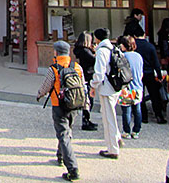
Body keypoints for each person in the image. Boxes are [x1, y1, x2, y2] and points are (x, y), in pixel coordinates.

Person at [37, 40, 84, 181]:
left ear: (56, 52)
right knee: (67, 130)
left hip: (59, 104)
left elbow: (46, 85)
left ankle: (73, 168)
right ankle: (61, 156)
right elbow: (82, 85)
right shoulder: (77, 67)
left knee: (63, 134)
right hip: (74, 103)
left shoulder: (54, 68)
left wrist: (39, 94)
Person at [90, 27, 121, 159]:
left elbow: (99, 74)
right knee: (110, 114)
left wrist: (93, 85)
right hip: (116, 86)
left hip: (107, 88)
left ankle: (112, 148)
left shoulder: (102, 51)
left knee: (109, 119)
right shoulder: (115, 48)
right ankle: (117, 138)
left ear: (97, 38)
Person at [131, 25, 167, 124]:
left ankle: (144, 116)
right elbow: (156, 62)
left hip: (138, 73)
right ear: (144, 35)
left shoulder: (134, 47)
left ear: (134, 36)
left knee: (140, 95)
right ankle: (158, 115)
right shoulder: (150, 46)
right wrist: (159, 75)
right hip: (149, 72)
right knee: (154, 95)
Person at [118, 36, 143, 139]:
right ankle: (136, 131)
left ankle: (126, 131)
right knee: (137, 110)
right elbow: (141, 73)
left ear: (123, 46)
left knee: (126, 111)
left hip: (126, 87)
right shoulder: (138, 56)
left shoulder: (123, 56)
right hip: (138, 86)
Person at [73, 32, 98, 131]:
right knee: (88, 100)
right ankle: (86, 120)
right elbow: (94, 60)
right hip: (88, 75)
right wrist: (95, 52)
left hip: (85, 74)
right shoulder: (85, 51)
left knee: (87, 99)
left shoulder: (80, 50)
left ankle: (86, 119)